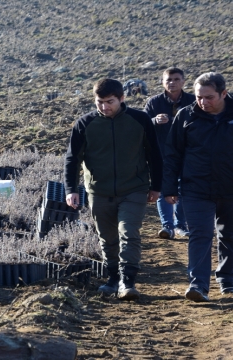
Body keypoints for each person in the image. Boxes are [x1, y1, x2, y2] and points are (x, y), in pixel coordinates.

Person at [162, 72, 233, 302]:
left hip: (232, 186)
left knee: (229, 234)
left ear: (224, 93)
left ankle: (226, 279)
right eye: (199, 97)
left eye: (209, 97)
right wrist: (169, 187)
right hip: (195, 187)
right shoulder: (186, 115)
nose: (203, 102)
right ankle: (198, 285)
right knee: (200, 235)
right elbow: (172, 154)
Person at [64, 78, 162, 301]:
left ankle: (128, 282)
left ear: (122, 98)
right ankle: (112, 278)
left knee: (129, 233)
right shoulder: (84, 124)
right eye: (100, 102)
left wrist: (156, 187)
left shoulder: (140, 120)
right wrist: (71, 189)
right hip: (99, 191)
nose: (104, 107)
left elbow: (154, 154)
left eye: (110, 102)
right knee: (107, 238)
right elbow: (72, 159)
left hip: (134, 188)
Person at [144, 67, 195, 239]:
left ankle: (181, 225)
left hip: (187, 152)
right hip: (161, 152)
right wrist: (154, 121)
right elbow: (143, 125)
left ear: (183, 81)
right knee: (163, 188)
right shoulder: (154, 102)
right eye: (168, 80)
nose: (172, 83)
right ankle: (167, 226)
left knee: (183, 188)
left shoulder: (193, 101)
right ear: (162, 82)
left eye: (175, 79)